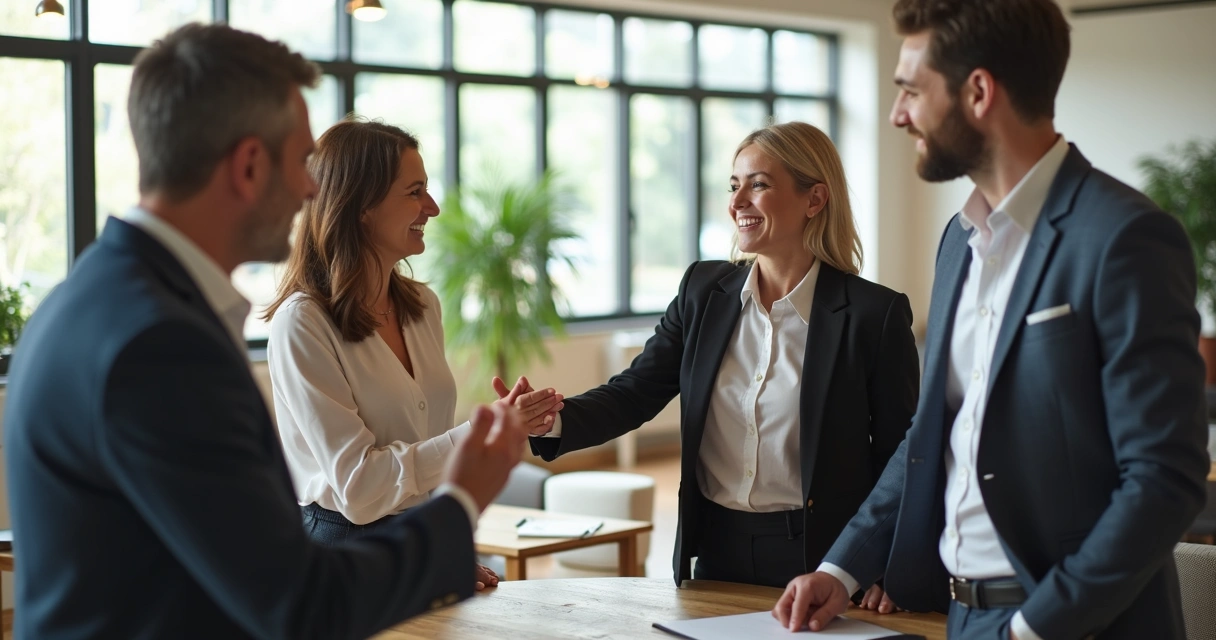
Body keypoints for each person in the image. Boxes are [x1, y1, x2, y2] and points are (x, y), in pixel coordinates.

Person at [3, 23, 528, 640]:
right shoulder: (162, 345)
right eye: (300, 161)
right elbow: (298, 603)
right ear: (250, 165)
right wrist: (462, 498)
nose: (312, 188)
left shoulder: (98, 298)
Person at [772, 1, 1210, 638]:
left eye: (911, 91)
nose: (898, 115)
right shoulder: (959, 239)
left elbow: (1163, 479)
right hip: (964, 616)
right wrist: (841, 569)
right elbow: (933, 434)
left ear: (978, 92)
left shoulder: (1125, 238)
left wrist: (1034, 627)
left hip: (1070, 624)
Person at [518, 122, 920, 594]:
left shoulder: (874, 314)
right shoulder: (701, 292)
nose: (737, 202)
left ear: (814, 200)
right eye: (734, 186)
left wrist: (876, 565)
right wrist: (550, 419)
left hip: (822, 560)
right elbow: (636, 392)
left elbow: (902, 455)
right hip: (713, 552)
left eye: (759, 184)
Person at [262, 119, 563, 592]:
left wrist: (442, 549)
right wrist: (475, 438)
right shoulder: (302, 323)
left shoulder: (423, 306)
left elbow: (424, 450)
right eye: (415, 192)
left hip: (420, 534)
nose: (433, 208)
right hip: (341, 553)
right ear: (361, 205)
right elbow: (359, 489)